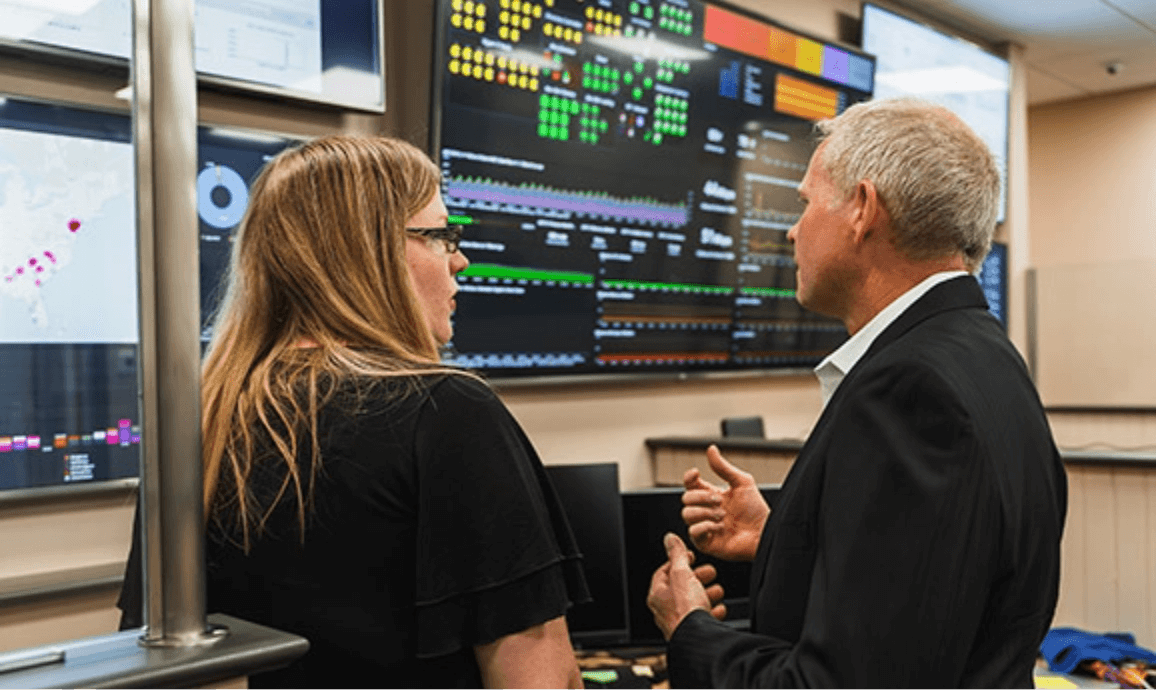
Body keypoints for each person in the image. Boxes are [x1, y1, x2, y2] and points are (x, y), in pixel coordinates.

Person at [118, 135, 589, 689]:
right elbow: (539, 676)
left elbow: (148, 656)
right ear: (371, 251)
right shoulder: (445, 411)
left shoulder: (202, 423)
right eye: (440, 234)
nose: (460, 257)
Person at [647, 98, 1067, 688]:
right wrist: (784, 536)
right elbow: (932, 583)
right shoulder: (984, 354)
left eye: (805, 203)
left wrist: (689, 628)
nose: (792, 230)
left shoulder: (911, 392)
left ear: (862, 210)